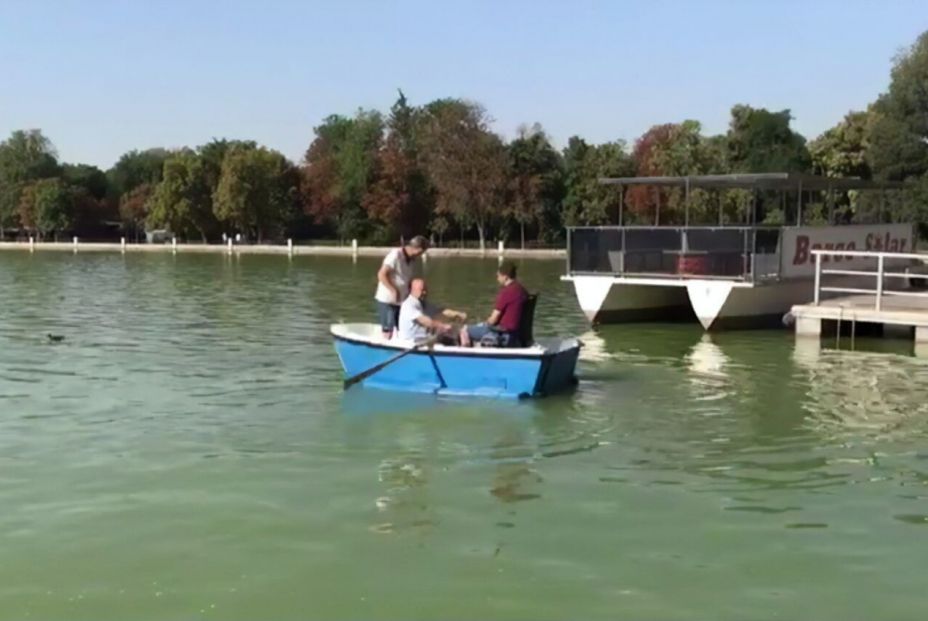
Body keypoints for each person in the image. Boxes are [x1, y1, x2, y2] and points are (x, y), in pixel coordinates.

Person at [459, 260, 527, 348]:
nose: (497, 279)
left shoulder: (507, 292)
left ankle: (466, 352)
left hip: (501, 334)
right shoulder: (522, 290)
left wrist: (486, 322)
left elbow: (493, 320)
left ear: (505, 277)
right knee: (480, 326)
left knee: (465, 330)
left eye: (498, 276)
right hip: (515, 334)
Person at [374, 235, 430, 339]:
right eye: (421, 252)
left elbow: (406, 279)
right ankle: (385, 344)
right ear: (417, 248)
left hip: (401, 301)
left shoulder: (411, 260)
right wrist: (393, 290)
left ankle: (399, 344)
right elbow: (381, 274)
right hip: (388, 300)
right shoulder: (395, 255)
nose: (420, 255)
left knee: (401, 328)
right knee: (388, 328)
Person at [397, 278, 467, 344]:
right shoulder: (408, 305)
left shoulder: (422, 303)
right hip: (412, 341)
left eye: (425, 290)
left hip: (423, 338)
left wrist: (458, 314)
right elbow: (426, 322)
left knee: (454, 335)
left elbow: (442, 311)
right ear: (412, 290)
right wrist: (443, 326)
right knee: (448, 337)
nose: (424, 293)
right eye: (421, 290)